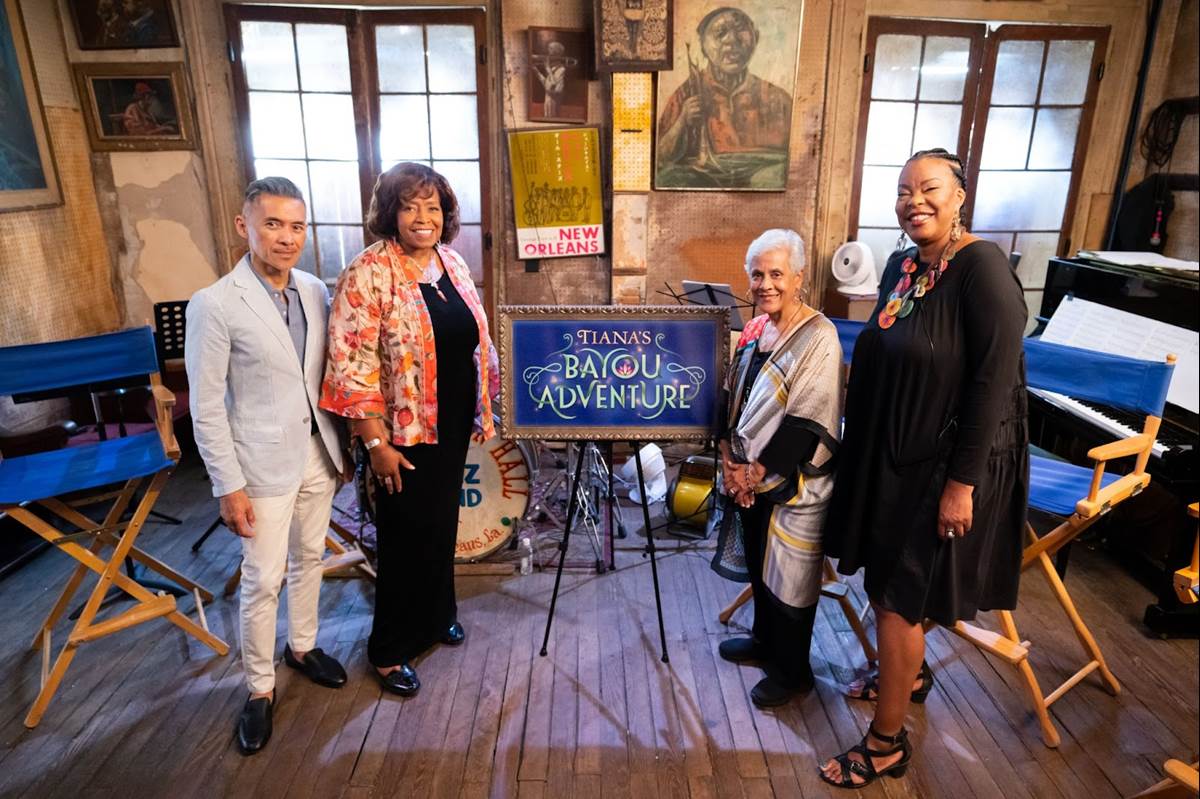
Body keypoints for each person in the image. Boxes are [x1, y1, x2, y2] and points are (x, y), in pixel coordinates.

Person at [819, 149, 1029, 787]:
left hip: (946, 466)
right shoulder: (903, 266)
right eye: (905, 190)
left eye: (930, 188)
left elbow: (993, 385)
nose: (915, 201)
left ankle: (885, 744)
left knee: (896, 596)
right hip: (894, 457)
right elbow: (886, 351)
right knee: (894, 584)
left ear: (961, 195)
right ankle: (907, 676)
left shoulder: (982, 269)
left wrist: (961, 485)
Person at [321, 162, 499, 698]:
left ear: (445, 216)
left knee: (441, 524)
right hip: (399, 435)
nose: (423, 217)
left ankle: (436, 614)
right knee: (401, 538)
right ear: (390, 213)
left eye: (433, 207)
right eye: (410, 206)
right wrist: (375, 443)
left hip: (448, 427)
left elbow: (476, 340)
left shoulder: (452, 264)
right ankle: (389, 649)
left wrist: (486, 405)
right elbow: (349, 365)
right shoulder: (368, 272)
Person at [185, 177, 350, 756]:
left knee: (310, 559)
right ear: (244, 226)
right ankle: (258, 688)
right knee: (262, 580)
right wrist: (227, 486)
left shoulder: (312, 289)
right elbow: (205, 407)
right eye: (273, 224)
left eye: (297, 226)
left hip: (317, 450)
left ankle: (302, 647)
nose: (286, 238)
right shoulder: (214, 303)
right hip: (258, 464)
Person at [711, 229, 843, 708]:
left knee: (790, 577)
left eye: (776, 274)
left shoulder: (819, 336)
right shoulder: (756, 330)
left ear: (799, 278)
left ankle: (793, 673)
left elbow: (807, 419)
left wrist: (753, 472)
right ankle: (765, 643)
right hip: (749, 476)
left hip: (795, 479)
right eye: (757, 274)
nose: (765, 283)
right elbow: (732, 398)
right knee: (760, 568)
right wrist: (729, 460)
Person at [656, 6, 792, 189]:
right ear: (703, 46)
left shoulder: (778, 99)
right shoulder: (687, 93)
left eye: (740, 30)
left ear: (756, 38)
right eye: (720, 33)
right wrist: (682, 120)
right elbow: (660, 158)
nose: (731, 41)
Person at [533, 41, 567, 118]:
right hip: (548, 100)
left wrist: (548, 69)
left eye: (550, 49)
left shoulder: (561, 69)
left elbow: (553, 85)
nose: (548, 51)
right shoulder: (552, 68)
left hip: (554, 101)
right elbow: (546, 84)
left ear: (556, 52)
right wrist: (536, 71)